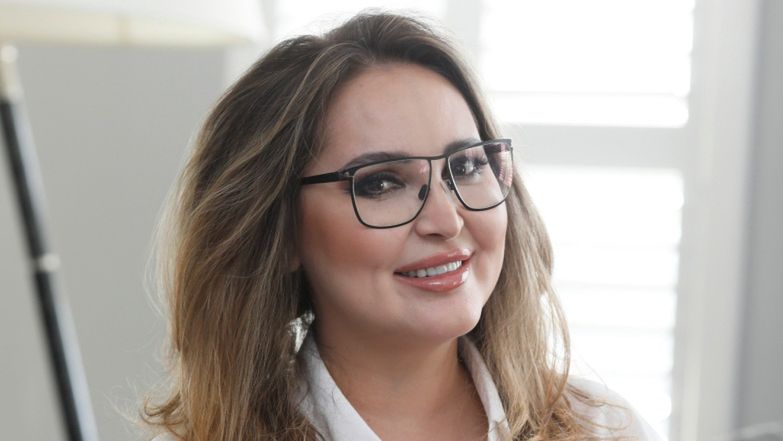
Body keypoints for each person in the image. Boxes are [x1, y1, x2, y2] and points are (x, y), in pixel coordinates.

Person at [142, 11, 662, 441]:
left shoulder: (606, 430)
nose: (446, 219)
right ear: (281, 233)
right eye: (381, 183)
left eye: (467, 166)